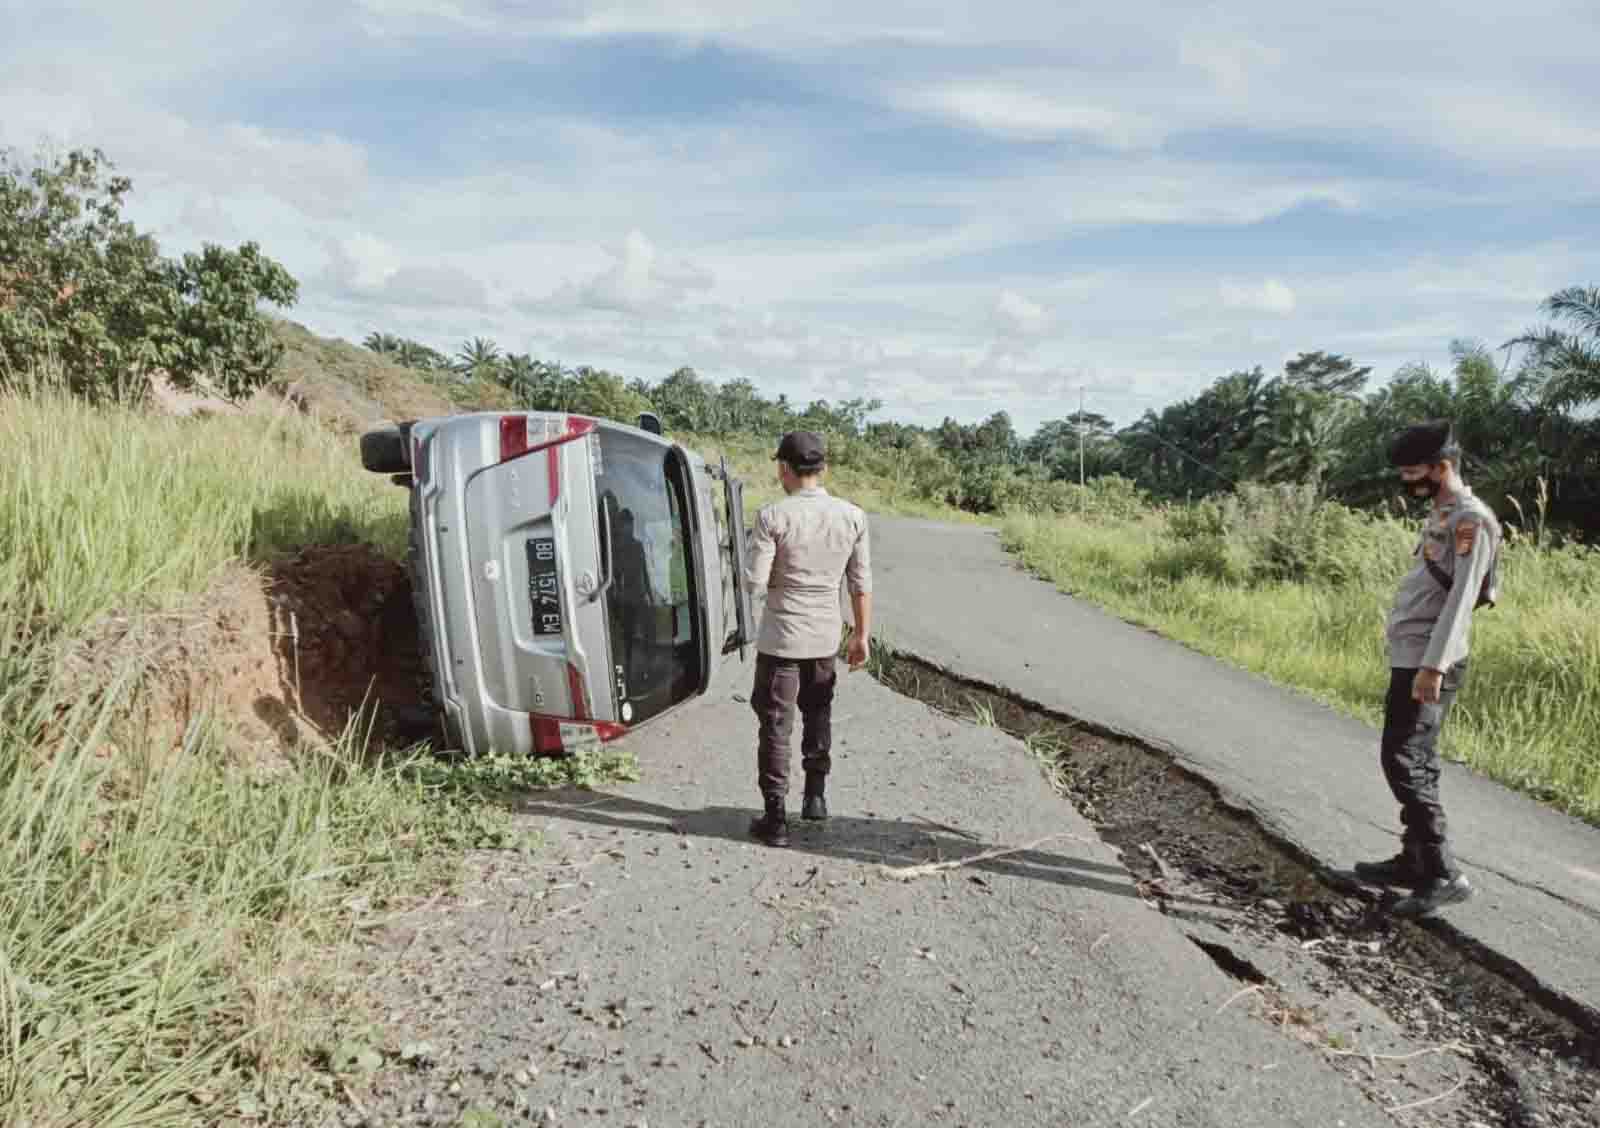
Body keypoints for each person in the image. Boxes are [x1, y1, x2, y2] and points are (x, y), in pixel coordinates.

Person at [1353, 420, 1500, 917]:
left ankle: (1443, 873)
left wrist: (1433, 667)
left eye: (1415, 471)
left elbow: (1460, 601)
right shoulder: (1442, 515)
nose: (1407, 481)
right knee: (1411, 756)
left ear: (1444, 467)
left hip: (1430, 660)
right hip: (1412, 653)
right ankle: (1414, 858)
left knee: (1404, 759)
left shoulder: (1470, 521)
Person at [743, 431, 873, 847]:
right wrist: (861, 635)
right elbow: (860, 582)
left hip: (781, 639)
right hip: (824, 637)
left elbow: (754, 582)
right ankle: (815, 798)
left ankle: (775, 817)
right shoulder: (853, 516)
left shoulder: (771, 516)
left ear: (783, 468)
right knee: (818, 714)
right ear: (824, 470)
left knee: (776, 725)